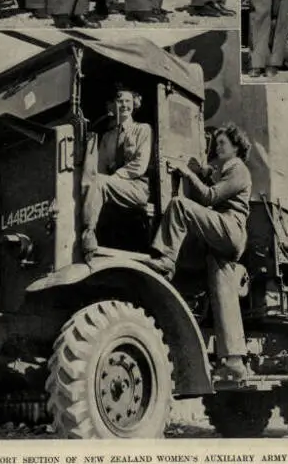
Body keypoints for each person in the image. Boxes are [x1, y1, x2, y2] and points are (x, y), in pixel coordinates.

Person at [145, 124, 253, 382]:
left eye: (223, 143)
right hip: (224, 233)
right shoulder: (225, 170)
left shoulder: (238, 169)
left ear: (236, 147)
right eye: (216, 143)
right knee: (222, 290)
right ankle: (234, 362)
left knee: (180, 206)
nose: (218, 147)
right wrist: (203, 172)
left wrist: (186, 172)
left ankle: (167, 260)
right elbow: (213, 182)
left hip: (231, 228)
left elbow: (209, 196)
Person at [81, 86, 152, 259]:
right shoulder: (107, 137)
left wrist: (112, 179)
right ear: (114, 105)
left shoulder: (143, 129)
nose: (124, 105)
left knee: (99, 182)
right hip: (113, 186)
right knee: (91, 182)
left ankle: (88, 234)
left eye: (128, 101)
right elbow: (100, 167)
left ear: (134, 104)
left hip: (137, 187)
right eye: (120, 101)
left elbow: (140, 165)